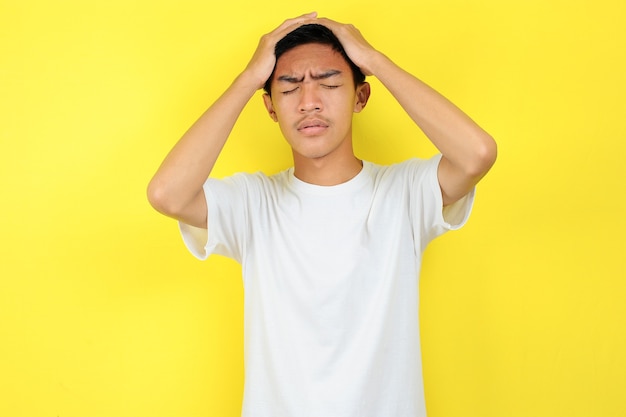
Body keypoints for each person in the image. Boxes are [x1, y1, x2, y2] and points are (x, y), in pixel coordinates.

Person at [148, 12, 496, 417]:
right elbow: (166, 193)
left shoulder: (403, 193)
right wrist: (246, 79)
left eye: (330, 83)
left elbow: (478, 154)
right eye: (290, 87)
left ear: (360, 97)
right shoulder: (254, 203)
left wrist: (375, 61)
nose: (310, 102)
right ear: (271, 108)